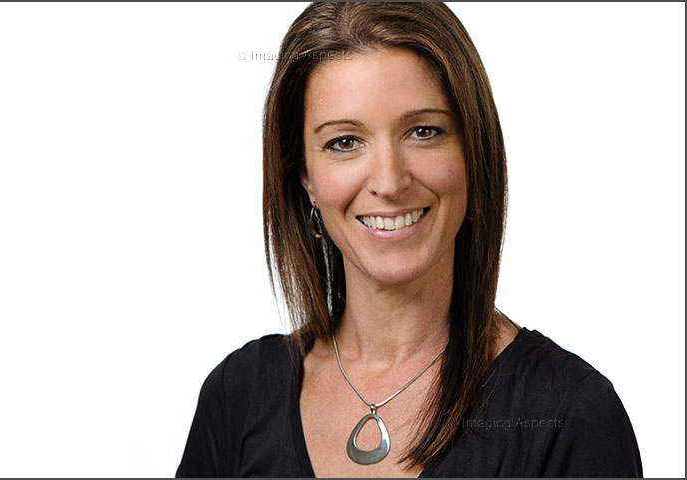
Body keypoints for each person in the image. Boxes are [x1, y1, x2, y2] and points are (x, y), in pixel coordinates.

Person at [176, 3, 642, 477]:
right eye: (344, 142)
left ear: (473, 152)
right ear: (305, 178)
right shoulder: (237, 396)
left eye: (423, 131)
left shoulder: (568, 415)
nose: (389, 181)